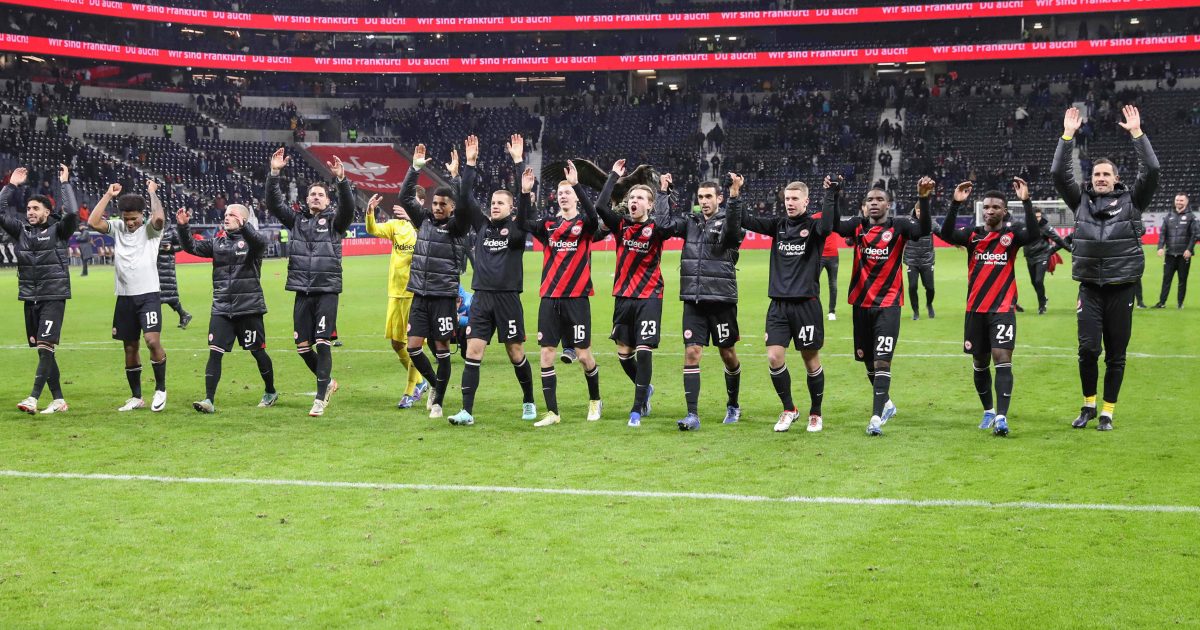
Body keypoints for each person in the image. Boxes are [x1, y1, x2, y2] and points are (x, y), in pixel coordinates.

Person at [1053, 105, 1159, 431]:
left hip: (1121, 287)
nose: (1100, 178)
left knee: (1116, 353)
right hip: (1090, 287)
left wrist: (1137, 134)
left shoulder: (1133, 201)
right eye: (1096, 174)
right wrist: (1067, 136)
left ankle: (1107, 412)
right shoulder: (1080, 200)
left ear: (1116, 179)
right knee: (1087, 349)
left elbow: (1152, 170)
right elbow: (1059, 173)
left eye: (1106, 174)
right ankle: (1087, 405)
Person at [448, 134, 537, 427]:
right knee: (473, 352)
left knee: (515, 353)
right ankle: (467, 411)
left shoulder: (517, 229)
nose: (495, 205)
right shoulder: (483, 225)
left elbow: (525, 212)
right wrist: (470, 164)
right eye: (493, 202)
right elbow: (464, 199)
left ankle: (528, 401)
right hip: (482, 298)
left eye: (501, 202)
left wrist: (519, 167)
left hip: (508, 299)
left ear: (511, 208)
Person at [940, 179, 1039, 437]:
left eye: (996, 207)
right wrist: (955, 204)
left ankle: (1002, 417)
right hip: (975, 309)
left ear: (1004, 211)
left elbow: (1034, 235)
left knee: (1002, 356)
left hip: (1003, 307)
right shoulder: (972, 235)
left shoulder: (1012, 234)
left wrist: (1026, 201)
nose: (990, 211)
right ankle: (988, 410)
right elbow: (946, 234)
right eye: (987, 207)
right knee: (980, 361)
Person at [835, 178, 934, 435]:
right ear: (864, 206)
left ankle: (876, 418)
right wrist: (833, 194)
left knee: (882, 361)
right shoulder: (857, 227)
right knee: (867, 360)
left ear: (888, 204)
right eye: (870, 200)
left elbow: (923, 230)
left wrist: (923, 198)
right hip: (861, 304)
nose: (874, 203)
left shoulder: (899, 226)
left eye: (879, 200)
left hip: (889, 304)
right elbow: (832, 225)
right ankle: (887, 403)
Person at [741, 176, 838, 433]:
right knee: (774, 356)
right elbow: (745, 220)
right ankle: (789, 409)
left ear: (806, 201)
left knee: (810, 358)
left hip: (806, 304)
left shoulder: (814, 228)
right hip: (779, 305)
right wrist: (735, 193)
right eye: (787, 199)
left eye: (795, 199)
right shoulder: (777, 226)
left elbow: (828, 227)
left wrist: (831, 194)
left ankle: (815, 413)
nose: (790, 203)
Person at [265, 148, 356, 417]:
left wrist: (342, 181)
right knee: (303, 347)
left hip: (326, 288)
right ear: (305, 200)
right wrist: (274, 174)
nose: (315, 198)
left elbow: (349, 208)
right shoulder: (296, 219)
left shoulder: (334, 222)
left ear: (328, 201)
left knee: (323, 341)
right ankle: (328, 382)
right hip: (302, 290)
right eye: (312, 195)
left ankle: (320, 398)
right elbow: (274, 204)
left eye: (320, 195)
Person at [522, 160, 614, 426]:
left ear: (574, 197)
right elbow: (525, 223)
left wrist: (577, 184)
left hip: (577, 298)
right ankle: (552, 412)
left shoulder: (584, 226)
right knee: (546, 354)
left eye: (568, 192)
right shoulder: (548, 225)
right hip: (549, 297)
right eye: (560, 192)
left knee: (584, 355)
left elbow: (595, 217)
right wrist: (525, 193)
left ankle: (595, 401)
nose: (563, 195)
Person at [594, 165, 685, 427]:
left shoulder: (656, 228)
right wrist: (612, 176)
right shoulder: (620, 225)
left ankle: (636, 408)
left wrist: (664, 193)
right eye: (632, 198)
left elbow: (668, 226)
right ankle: (645, 388)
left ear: (650, 205)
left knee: (643, 351)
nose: (634, 202)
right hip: (623, 296)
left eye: (640, 199)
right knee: (624, 353)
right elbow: (601, 207)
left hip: (649, 295)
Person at [176, 204, 277, 412]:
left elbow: (260, 243)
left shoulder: (252, 243)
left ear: (243, 219)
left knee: (258, 352)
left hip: (249, 308)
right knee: (215, 352)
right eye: (225, 214)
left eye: (232, 214)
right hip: (222, 307)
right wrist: (184, 227)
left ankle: (270, 391)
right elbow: (191, 248)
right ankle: (209, 400)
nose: (227, 217)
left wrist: (246, 227)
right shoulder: (217, 243)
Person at [402, 144, 474, 419]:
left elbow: (467, 207)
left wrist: (456, 177)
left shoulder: (458, 227)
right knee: (413, 347)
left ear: (452, 207)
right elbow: (405, 198)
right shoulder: (425, 221)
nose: (438, 207)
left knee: (442, 349)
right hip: (420, 295)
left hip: (444, 297)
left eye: (443, 204)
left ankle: (439, 402)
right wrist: (415, 169)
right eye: (435, 203)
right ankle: (434, 383)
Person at [1, 165, 78, 414]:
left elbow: (73, 213)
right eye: (28, 208)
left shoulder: (59, 230)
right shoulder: (21, 231)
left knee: (45, 346)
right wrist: (11, 186)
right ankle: (58, 400)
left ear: (47, 211)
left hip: (53, 296)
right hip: (30, 298)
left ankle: (33, 397)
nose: (30, 212)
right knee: (43, 350)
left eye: (36, 208)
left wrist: (65, 184)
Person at [88, 179, 169, 412]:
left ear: (142, 215)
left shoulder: (151, 230)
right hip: (124, 297)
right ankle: (136, 396)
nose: (131, 223)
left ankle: (160, 389)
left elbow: (159, 218)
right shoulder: (118, 227)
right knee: (130, 347)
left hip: (148, 295)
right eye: (127, 219)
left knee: (152, 341)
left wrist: (153, 193)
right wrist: (107, 195)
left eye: (134, 218)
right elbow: (93, 222)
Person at [674, 173, 747, 431]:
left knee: (727, 355)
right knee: (692, 353)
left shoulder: (729, 221)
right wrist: (663, 194)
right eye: (700, 197)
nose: (704, 201)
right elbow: (661, 224)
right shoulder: (691, 223)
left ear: (719, 198)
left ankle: (733, 404)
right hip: (694, 299)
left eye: (708, 197)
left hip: (721, 299)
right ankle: (692, 415)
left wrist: (736, 198)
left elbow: (732, 234)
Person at [364, 186, 429, 409]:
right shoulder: (396, 226)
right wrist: (369, 211)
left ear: (421, 202)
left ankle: (409, 392)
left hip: (416, 293)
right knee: (396, 343)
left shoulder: (426, 227)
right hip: (395, 291)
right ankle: (420, 382)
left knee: (414, 344)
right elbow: (373, 229)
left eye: (413, 202)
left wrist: (414, 219)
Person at [1021, 207, 1069, 314]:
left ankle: (1042, 306)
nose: (1038, 219)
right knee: (1034, 282)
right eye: (1035, 217)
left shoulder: (1045, 226)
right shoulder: (1025, 227)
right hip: (1029, 258)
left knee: (1038, 281)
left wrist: (1070, 249)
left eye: (1039, 217)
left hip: (1042, 256)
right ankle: (1043, 298)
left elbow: (1058, 239)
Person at [1154, 193, 1195, 308]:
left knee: (1182, 280)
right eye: (1177, 200)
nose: (1179, 202)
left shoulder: (1191, 217)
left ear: (1186, 202)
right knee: (1166, 279)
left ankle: (1180, 303)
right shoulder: (1169, 216)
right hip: (1170, 254)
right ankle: (1162, 303)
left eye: (1181, 200)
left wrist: (1189, 249)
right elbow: (1163, 234)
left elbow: (1194, 235)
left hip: (1184, 255)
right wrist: (1160, 247)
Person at [903, 202, 938, 320]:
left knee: (930, 288)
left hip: (927, 260)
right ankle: (916, 311)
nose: (920, 214)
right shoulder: (908, 223)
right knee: (912, 286)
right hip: (911, 260)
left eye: (922, 212)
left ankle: (929, 304)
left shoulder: (931, 223)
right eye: (918, 211)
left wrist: (956, 242)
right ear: (915, 211)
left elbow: (943, 233)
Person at [157, 225, 193, 329]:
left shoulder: (171, 231)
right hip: (153, 266)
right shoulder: (150, 229)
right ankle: (184, 315)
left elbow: (182, 245)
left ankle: (150, 322)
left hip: (167, 267)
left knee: (164, 295)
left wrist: (171, 248)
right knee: (161, 296)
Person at [821, 228, 841, 321]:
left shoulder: (833, 218)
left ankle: (832, 312)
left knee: (833, 284)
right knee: (813, 283)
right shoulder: (814, 218)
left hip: (833, 256)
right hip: (819, 255)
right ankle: (814, 310)